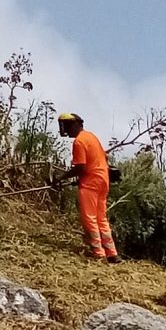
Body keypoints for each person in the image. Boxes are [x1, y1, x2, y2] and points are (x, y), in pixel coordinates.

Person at [56, 113, 121, 263]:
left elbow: (80, 167)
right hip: (103, 180)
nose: (65, 130)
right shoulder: (91, 136)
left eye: (66, 126)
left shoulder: (79, 142)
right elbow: (103, 158)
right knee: (101, 218)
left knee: (89, 217)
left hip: (91, 182)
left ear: (74, 125)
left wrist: (61, 178)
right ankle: (112, 253)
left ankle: (98, 252)